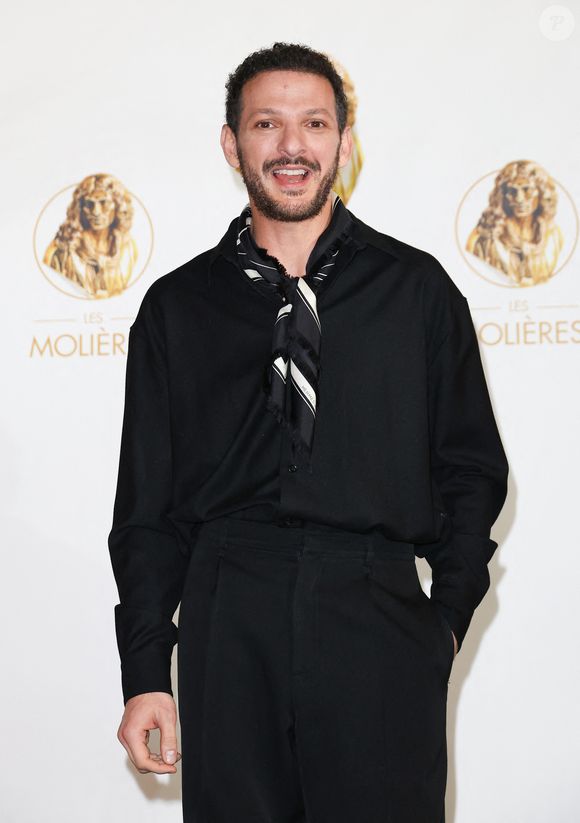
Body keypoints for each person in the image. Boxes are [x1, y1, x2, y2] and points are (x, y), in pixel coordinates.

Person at [108, 42, 509, 823]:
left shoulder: (417, 291)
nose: (292, 146)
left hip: (378, 611)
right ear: (232, 144)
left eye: (314, 124)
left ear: (343, 144)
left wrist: (443, 624)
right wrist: (147, 670)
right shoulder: (176, 307)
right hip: (229, 613)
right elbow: (146, 508)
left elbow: (471, 470)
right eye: (267, 123)